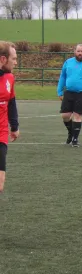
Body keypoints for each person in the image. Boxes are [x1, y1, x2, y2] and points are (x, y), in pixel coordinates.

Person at [0, 41, 20, 194]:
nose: (16, 62)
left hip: (1, 135)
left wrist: (14, 126)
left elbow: (11, 101)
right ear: (3, 59)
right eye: (13, 58)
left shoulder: (9, 78)